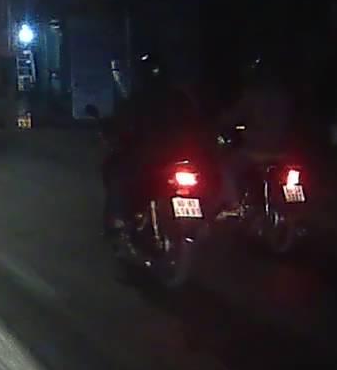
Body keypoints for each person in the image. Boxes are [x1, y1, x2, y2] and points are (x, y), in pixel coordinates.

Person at [101, 53, 205, 238]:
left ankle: (119, 220)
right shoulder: (179, 98)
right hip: (182, 158)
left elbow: (122, 126)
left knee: (116, 172)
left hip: (151, 159)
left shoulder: (139, 100)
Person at [215, 57, 294, 212]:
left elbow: (235, 116)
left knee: (227, 168)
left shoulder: (252, 95)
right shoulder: (283, 96)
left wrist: (220, 121)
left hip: (257, 149)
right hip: (281, 150)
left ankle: (234, 205)